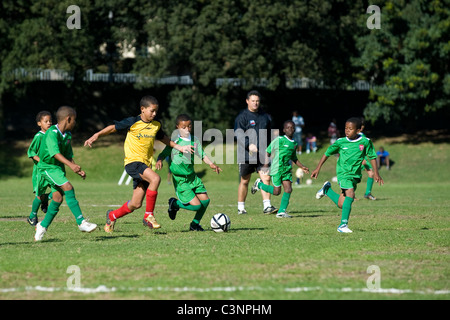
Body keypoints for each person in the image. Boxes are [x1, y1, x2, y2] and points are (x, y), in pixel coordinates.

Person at [84, 95, 193, 233]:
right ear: (142, 109)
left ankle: (112, 216)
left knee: (136, 204)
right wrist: (97, 135)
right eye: (152, 111)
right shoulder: (133, 122)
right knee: (156, 178)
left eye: (156, 111)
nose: (154, 114)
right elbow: (113, 128)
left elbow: (163, 138)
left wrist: (180, 148)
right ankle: (149, 216)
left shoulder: (156, 124)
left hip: (145, 165)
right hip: (133, 162)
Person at [34, 106, 97, 241]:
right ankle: (81, 222)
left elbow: (67, 154)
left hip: (58, 169)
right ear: (68, 119)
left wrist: (76, 168)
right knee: (68, 187)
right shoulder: (52, 133)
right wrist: (71, 165)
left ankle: (42, 226)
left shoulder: (67, 135)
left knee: (57, 198)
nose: (75, 123)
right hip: (47, 167)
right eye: (74, 120)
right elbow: (55, 153)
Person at [311, 117, 383, 233]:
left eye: (350, 129)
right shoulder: (340, 142)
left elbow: (373, 156)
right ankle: (342, 225)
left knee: (342, 204)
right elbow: (327, 153)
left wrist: (376, 173)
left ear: (358, 130)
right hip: (343, 174)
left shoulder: (365, 141)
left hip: (355, 176)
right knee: (350, 193)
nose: (347, 131)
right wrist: (318, 168)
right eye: (346, 128)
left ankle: (327, 190)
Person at [156, 114, 222, 231]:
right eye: (183, 127)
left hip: (192, 177)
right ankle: (175, 204)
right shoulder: (174, 142)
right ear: (177, 127)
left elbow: (202, 155)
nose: (187, 129)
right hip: (181, 180)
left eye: (189, 126)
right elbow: (163, 154)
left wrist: (211, 164)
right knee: (196, 205)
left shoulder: (194, 140)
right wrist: (159, 160)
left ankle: (194, 224)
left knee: (205, 201)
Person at [251, 120, 309, 218]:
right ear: (284, 130)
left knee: (288, 189)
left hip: (286, 169)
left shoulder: (294, 144)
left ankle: (281, 212)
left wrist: (302, 166)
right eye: (287, 127)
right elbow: (268, 151)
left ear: (294, 129)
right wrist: (265, 164)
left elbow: (294, 158)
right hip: (277, 169)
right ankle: (259, 184)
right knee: (277, 192)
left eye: (292, 127)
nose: (290, 129)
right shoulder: (279, 140)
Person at [234, 90, 277, 215]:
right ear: (247, 101)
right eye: (253, 101)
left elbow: (269, 134)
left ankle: (267, 206)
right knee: (245, 181)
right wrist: (248, 145)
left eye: (257, 101)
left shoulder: (265, 117)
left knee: (266, 178)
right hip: (246, 155)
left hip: (263, 153)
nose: (255, 103)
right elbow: (238, 133)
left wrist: (270, 149)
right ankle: (241, 207)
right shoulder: (242, 117)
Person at [27, 111, 53, 226]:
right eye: (46, 121)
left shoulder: (52, 135)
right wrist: (41, 161)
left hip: (51, 169)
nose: (49, 123)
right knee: (39, 195)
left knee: (61, 189)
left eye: (50, 121)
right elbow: (31, 152)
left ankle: (45, 198)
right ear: (39, 123)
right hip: (40, 170)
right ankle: (32, 215)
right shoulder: (39, 136)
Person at [360, 117, 377, 200]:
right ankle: (348, 194)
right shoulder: (356, 135)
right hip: (359, 159)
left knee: (371, 174)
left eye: (363, 125)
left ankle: (367, 193)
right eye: (361, 125)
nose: (362, 126)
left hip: (363, 158)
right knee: (353, 177)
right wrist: (362, 158)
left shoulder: (362, 135)